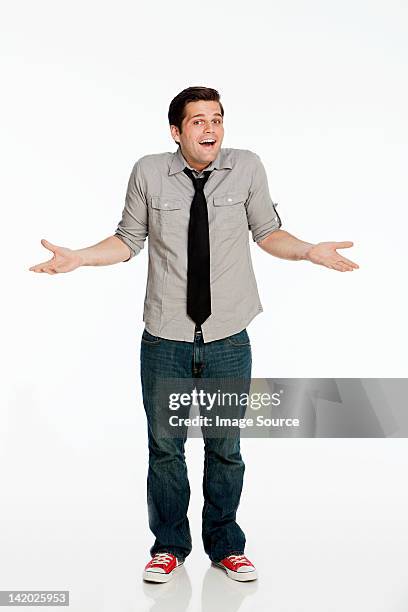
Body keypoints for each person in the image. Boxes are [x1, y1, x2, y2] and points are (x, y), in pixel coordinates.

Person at [29, 86, 359, 583]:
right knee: (165, 447)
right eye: (199, 121)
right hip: (165, 337)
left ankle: (226, 545)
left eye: (218, 119)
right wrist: (78, 258)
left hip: (228, 337)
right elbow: (126, 240)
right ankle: (168, 546)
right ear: (176, 131)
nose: (211, 129)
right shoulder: (147, 172)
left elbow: (268, 232)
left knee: (226, 447)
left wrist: (309, 250)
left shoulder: (247, 167)